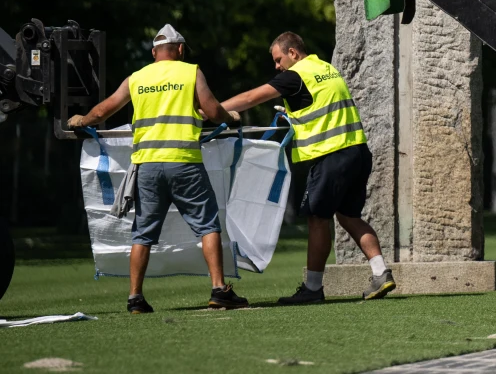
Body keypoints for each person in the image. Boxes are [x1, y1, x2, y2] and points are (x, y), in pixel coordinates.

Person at [67, 24, 249, 313]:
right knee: (207, 225)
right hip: (184, 163)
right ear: (180, 50)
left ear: (154, 53)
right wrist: (232, 117)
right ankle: (219, 290)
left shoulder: (137, 78)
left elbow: (103, 110)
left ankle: (135, 298)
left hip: (147, 166)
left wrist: (81, 120)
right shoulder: (191, 72)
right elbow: (214, 112)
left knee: (143, 233)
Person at [222, 32, 395, 304]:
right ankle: (381, 272)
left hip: (330, 155)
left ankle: (312, 289)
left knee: (317, 218)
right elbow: (318, 105)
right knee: (349, 216)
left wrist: (213, 110)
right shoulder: (324, 68)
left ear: (293, 53)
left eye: (278, 59)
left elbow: (251, 97)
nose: (277, 67)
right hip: (357, 152)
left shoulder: (295, 75)